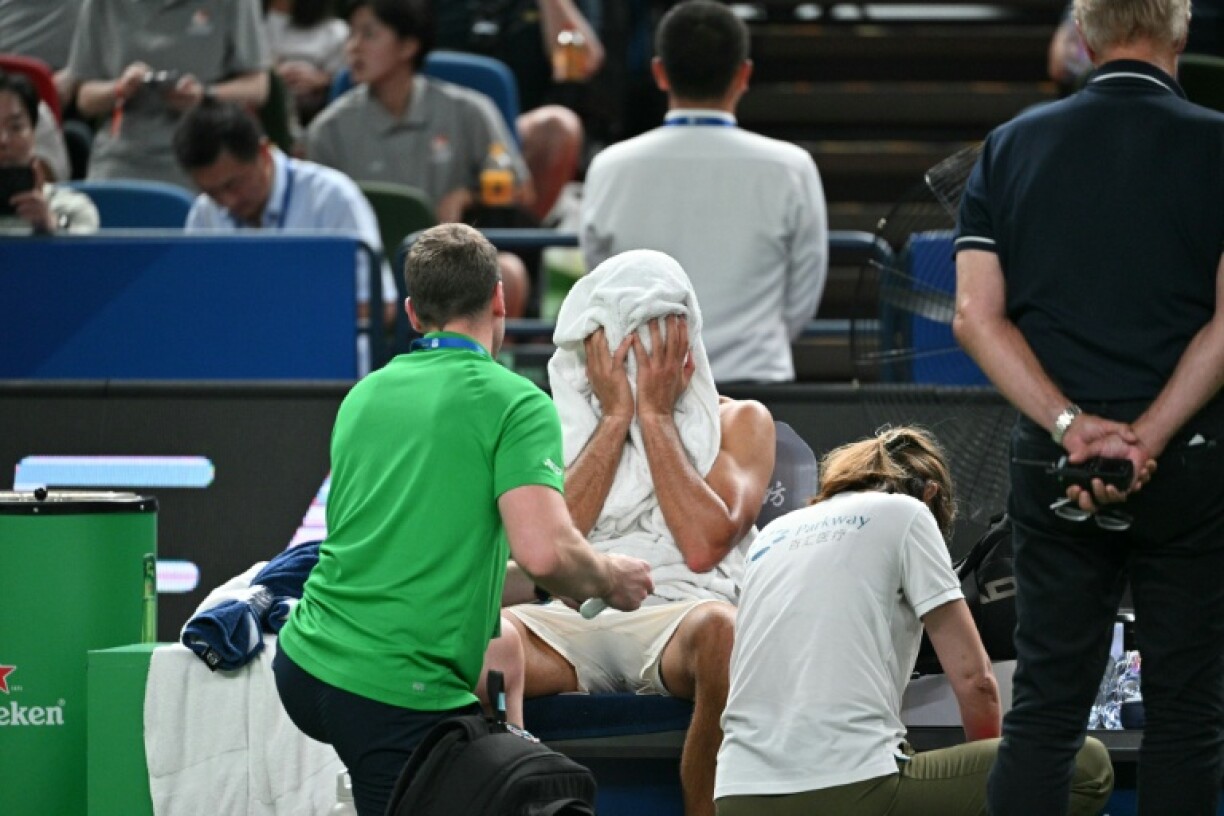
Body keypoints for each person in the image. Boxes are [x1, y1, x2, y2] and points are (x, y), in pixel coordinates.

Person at [273, 222, 654, 816]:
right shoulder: (516, 402)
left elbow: (443, 561)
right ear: (500, 300)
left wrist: (550, 587)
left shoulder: (364, 395)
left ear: (413, 313)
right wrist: (610, 579)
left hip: (303, 668)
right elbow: (545, 550)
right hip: (389, 690)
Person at [953, 0, 1224, 812]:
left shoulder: (1010, 146)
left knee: (1044, 714)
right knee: (1187, 713)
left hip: (1051, 464)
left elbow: (973, 315)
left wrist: (1071, 426)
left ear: (1084, 33)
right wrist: (1148, 437)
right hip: (1191, 467)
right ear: (1180, 29)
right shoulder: (1219, 143)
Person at [714, 426, 1114, 816]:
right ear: (931, 494)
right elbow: (977, 683)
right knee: (1085, 765)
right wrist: (995, 791)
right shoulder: (908, 513)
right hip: (852, 788)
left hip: (735, 792)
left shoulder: (771, 535)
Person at [502, 248, 776, 816]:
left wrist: (653, 416)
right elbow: (554, 541)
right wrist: (612, 419)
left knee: (726, 635)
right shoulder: (551, 427)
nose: (636, 365)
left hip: (680, 615)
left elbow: (703, 545)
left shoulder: (741, 421)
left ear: (686, 350)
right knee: (472, 642)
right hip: (572, 615)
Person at [580, 0, 827, 385]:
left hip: (642, 390)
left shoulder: (609, 167)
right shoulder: (791, 168)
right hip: (759, 387)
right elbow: (802, 299)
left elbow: (600, 279)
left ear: (660, 73)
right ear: (743, 74)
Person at [307, 0, 533, 315]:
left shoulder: (470, 111)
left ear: (408, 46)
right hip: (368, 277)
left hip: (452, 269)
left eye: (369, 35)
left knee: (508, 273)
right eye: (351, 35)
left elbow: (520, 190)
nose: (353, 48)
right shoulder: (328, 130)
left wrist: (467, 195)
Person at [173, 98, 396, 372]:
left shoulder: (333, 198)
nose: (227, 202)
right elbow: (197, 310)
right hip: (238, 368)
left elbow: (380, 307)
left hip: (327, 367)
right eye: (212, 192)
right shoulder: (204, 213)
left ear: (263, 153)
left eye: (233, 184)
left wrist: (282, 321)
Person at [66, 0, 270, 187]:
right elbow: (85, 100)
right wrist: (120, 88)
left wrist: (204, 95)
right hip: (122, 153)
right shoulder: (101, 5)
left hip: (205, 151)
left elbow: (258, 88)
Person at [434, 0, 602, 222]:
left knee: (558, 126)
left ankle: (521, 241)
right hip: (431, 125)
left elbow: (585, 63)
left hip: (513, 139)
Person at [0, 70, 97, 234]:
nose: (3, 140)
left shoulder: (74, 210)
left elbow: (82, 256)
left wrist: (53, 227)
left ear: (33, 133)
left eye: (15, 127)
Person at [263, 0, 349, 126]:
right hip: (265, 113)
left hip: (317, 116)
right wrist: (272, 76)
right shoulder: (253, 25)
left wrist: (322, 80)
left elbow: (350, 82)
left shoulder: (336, 32)